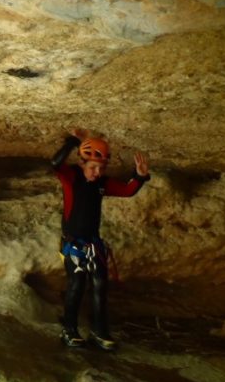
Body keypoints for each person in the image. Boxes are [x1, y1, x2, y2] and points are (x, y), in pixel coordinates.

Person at [50, 129, 150, 350]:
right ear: (82, 163)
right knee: (77, 284)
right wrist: (73, 142)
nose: (97, 172)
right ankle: (69, 330)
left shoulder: (101, 183)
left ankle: (99, 332)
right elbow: (55, 163)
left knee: (100, 286)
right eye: (93, 167)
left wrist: (140, 176)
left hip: (93, 243)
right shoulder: (72, 177)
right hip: (73, 243)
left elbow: (127, 190)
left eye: (101, 168)